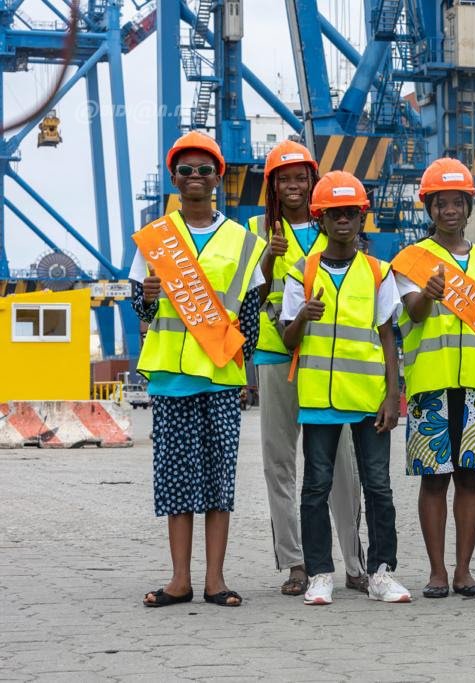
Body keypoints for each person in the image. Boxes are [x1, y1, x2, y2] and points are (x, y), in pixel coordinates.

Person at [132, 131, 267, 607]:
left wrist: (242, 372)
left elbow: (249, 317)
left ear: (218, 178)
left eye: (203, 170)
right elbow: (143, 314)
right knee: (175, 479)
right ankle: (179, 581)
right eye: (186, 170)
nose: (195, 177)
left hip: (220, 378)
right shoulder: (155, 239)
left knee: (217, 479)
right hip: (170, 377)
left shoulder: (244, 242)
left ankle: (215, 580)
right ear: (174, 178)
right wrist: (145, 303)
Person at [280, 171, 409, 605]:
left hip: (368, 397)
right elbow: (287, 339)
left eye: (350, 213)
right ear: (320, 218)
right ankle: (320, 573)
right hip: (318, 399)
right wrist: (303, 317)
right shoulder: (303, 272)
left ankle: (381, 572)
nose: (342, 221)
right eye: (334, 214)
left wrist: (393, 396)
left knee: (379, 487)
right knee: (315, 487)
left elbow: (388, 335)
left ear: (361, 219)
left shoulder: (377, 272)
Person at [392, 158, 475, 599]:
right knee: (434, 479)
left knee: (470, 478)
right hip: (431, 384)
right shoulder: (410, 260)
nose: (449, 210)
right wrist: (428, 295)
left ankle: (464, 570)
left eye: (457, 202)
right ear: (429, 208)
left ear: (468, 207)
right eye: (440, 203)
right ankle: (436, 572)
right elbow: (412, 313)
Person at [248, 141, 366, 597]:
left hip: (325, 361)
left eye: (300, 177)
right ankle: (295, 563)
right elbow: (248, 301)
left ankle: (354, 563)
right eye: (284, 178)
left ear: (313, 182)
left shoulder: (331, 227)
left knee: (341, 465)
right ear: (272, 185)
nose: (292, 186)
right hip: (277, 357)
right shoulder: (256, 231)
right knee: (280, 464)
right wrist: (268, 258)